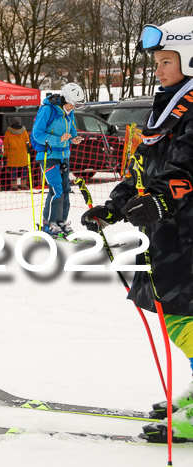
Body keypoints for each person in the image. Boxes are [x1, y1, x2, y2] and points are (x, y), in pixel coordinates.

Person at [81, 16, 193, 442]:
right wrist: (115, 204)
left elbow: (187, 167)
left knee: (184, 313)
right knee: (172, 309)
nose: (158, 69)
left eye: (167, 60)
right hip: (167, 231)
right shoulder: (167, 104)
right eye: (157, 61)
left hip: (186, 229)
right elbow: (144, 165)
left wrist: (163, 198)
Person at [32, 82, 85, 237]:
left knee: (66, 190)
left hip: (64, 155)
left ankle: (61, 221)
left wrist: (73, 139)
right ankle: (48, 223)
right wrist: (59, 139)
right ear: (65, 99)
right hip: (48, 156)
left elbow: (71, 130)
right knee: (56, 190)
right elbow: (38, 134)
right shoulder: (48, 110)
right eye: (72, 104)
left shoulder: (69, 112)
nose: (73, 108)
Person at [4, 116, 31, 190]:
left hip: (12, 155)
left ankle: (14, 186)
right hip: (23, 154)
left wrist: (5, 155)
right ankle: (24, 185)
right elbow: (28, 143)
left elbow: (6, 145)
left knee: (13, 170)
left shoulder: (8, 132)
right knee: (24, 170)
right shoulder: (24, 132)